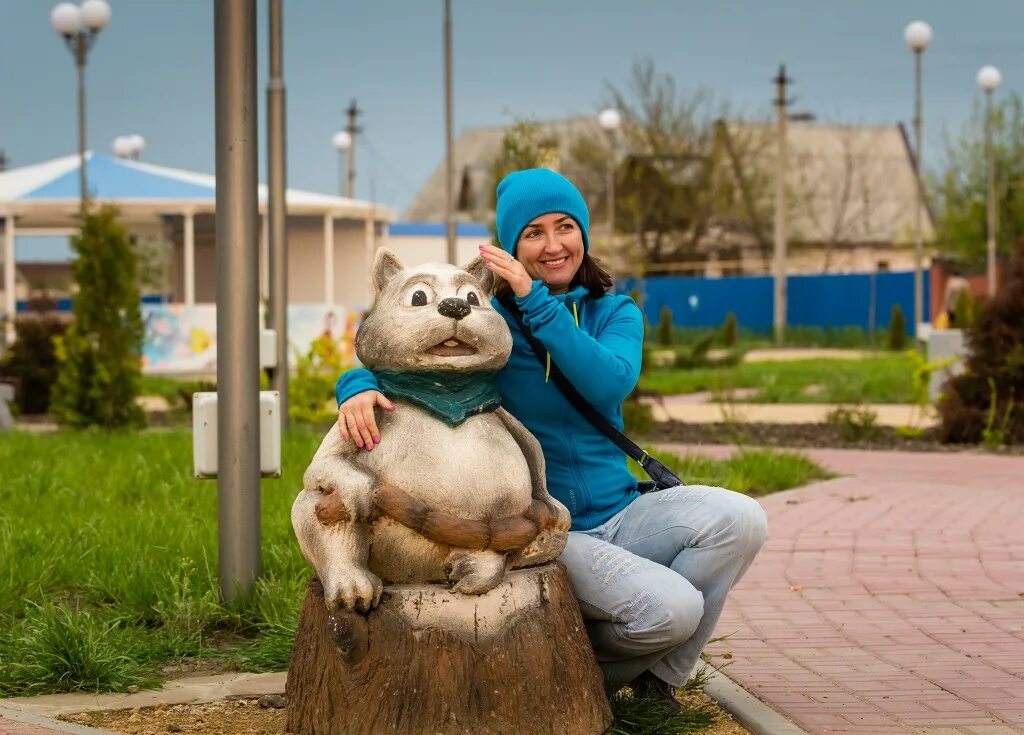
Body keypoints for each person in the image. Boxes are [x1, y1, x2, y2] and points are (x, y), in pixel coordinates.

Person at [334, 168, 767, 707]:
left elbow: (608, 379)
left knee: (742, 518)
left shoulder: (615, 311)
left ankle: (658, 681)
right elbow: (411, 355)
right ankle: (582, 671)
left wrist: (536, 302)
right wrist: (353, 384)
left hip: (623, 511)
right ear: (512, 247)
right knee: (673, 610)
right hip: (550, 527)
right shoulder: (492, 323)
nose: (553, 244)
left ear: (583, 233)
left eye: (565, 226)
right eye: (533, 233)